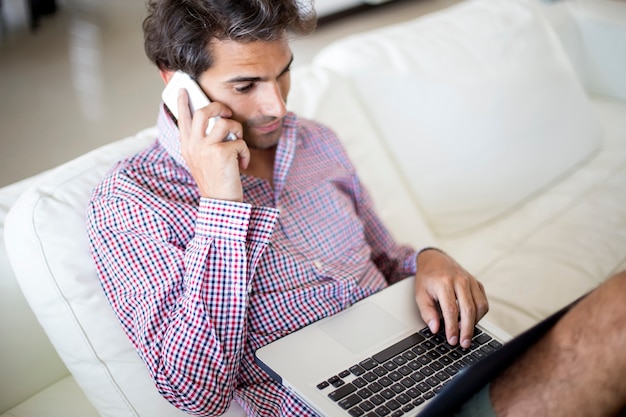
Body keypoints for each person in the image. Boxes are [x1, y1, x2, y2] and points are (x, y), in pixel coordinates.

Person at [86, 0, 626, 416]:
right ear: (176, 81)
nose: (277, 105)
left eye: (283, 73)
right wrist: (221, 203)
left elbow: (389, 256)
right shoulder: (131, 200)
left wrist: (430, 261)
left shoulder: (316, 141)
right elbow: (194, 391)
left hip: (426, 365)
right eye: (246, 84)